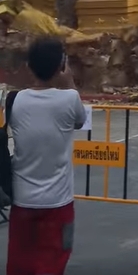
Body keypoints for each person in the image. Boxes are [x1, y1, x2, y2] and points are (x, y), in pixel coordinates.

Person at [7, 36, 87, 275]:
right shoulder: (69, 99)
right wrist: (69, 81)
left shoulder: (14, 100)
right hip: (58, 201)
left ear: (29, 66)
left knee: (21, 262)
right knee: (55, 260)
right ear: (61, 66)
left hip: (22, 199)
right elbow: (80, 120)